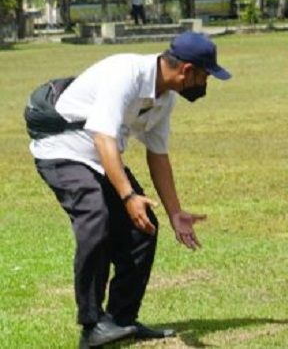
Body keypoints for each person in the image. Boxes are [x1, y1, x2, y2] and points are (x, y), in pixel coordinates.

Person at [29, 31, 230, 348]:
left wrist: (175, 212)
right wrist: (127, 196)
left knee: (143, 227)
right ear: (187, 70)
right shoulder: (127, 73)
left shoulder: (165, 97)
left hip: (99, 157)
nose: (205, 84)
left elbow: (158, 154)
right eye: (205, 76)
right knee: (95, 219)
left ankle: (121, 319)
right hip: (61, 150)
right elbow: (103, 137)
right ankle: (91, 325)